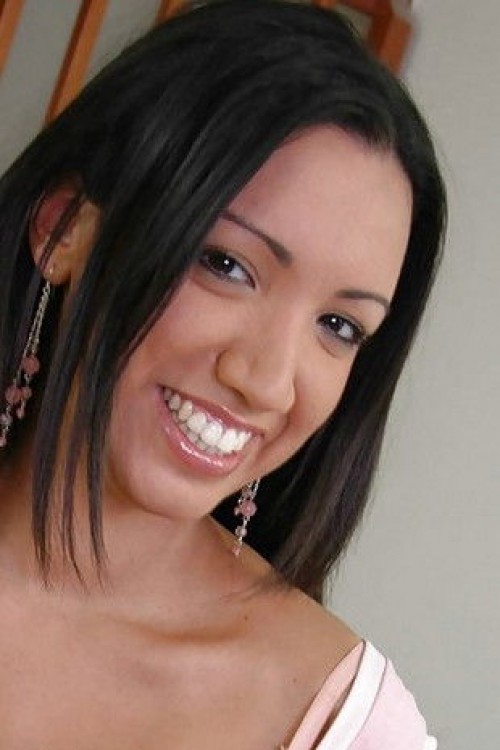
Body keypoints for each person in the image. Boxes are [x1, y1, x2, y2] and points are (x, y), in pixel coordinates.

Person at [0, 1, 446, 747]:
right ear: (65, 227)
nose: (268, 382)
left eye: (339, 326)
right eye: (227, 265)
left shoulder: (344, 724)